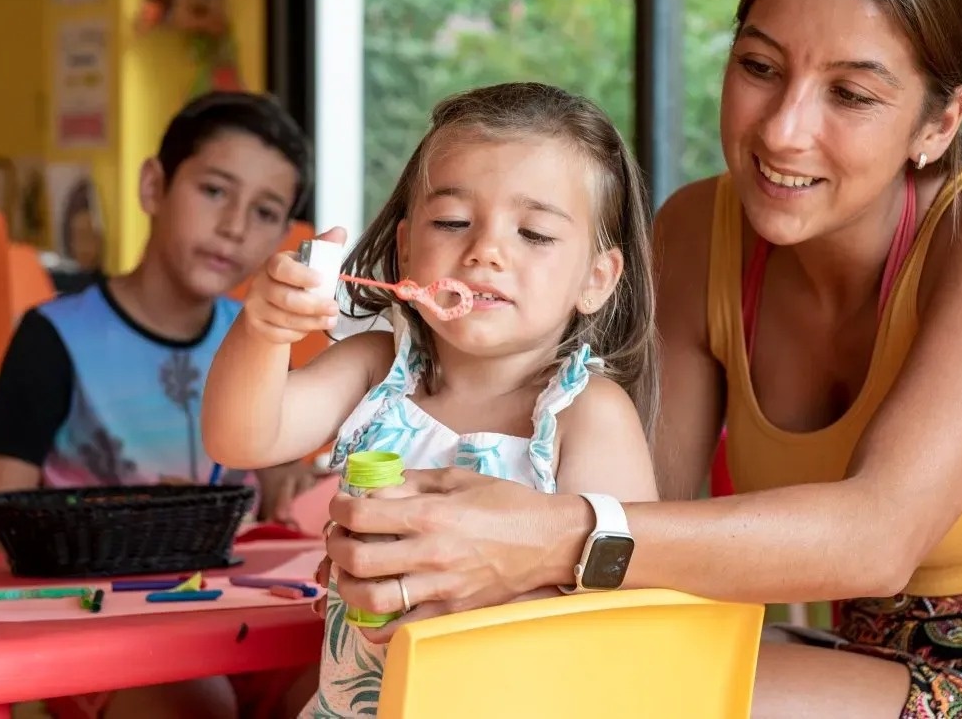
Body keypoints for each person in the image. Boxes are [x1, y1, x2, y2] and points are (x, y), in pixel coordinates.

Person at [318, 0, 962, 718]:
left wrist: (543, 539)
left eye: (851, 94)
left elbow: (878, 538)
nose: (782, 129)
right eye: (760, 67)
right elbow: (643, 517)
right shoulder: (697, 231)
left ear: (938, 122)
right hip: (869, 662)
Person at [202, 81, 660, 718]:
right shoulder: (376, 369)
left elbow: (629, 614)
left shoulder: (586, 415)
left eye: (534, 233)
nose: (486, 252)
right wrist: (263, 331)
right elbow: (241, 437)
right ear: (406, 247)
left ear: (595, 279)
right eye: (452, 222)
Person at [0, 91, 323, 719]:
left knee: (341, 686)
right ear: (154, 186)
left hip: (241, 626)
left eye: (265, 212)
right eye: (214, 191)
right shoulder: (53, 337)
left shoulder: (259, 338)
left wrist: (294, 483)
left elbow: (275, 483)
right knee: (194, 707)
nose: (236, 226)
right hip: (99, 641)